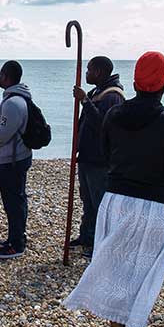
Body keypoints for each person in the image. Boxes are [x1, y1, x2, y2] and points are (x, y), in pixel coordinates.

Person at [62, 51, 164, 327]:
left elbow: (106, 153)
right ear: (163, 83)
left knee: (115, 273)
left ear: (135, 81)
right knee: (142, 280)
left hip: (116, 201)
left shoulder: (115, 116)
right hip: (153, 206)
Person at [69, 57, 125, 258]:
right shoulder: (97, 92)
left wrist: (84, 101)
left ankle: (99, 243)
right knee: (88, 200)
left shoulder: (112, 96)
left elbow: (103, 124)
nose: (86, 73)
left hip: (99, 160)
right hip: (87, 157)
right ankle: (87, 236)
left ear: (99, 72)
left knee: (100, 202)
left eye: (89, 70)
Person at [0, 60, 33, 260]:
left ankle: (16, 244)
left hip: (12, 160)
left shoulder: (12, 103)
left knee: (13, 201)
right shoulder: (18, 99)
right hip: (18, 156)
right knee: (17, 199)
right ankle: (17, 236)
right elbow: (8, 128)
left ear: (7, 76)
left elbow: (2, 135)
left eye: (1, 74)